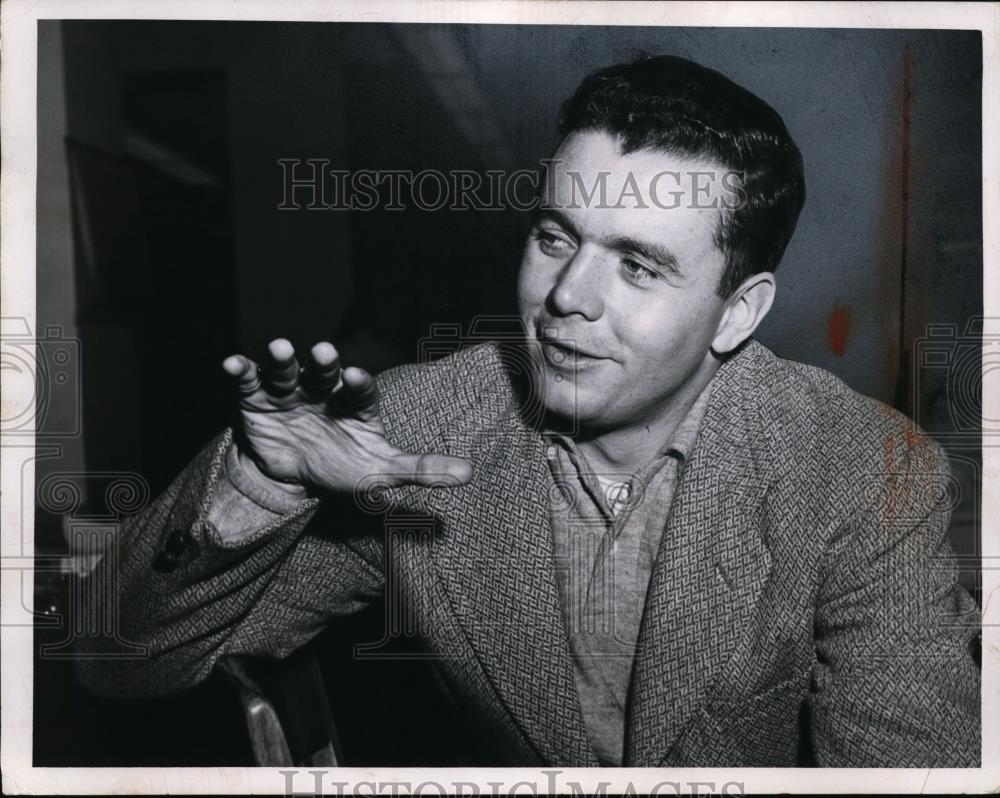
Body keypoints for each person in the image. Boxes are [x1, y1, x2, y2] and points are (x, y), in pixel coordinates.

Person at [79, 55, 980, 767]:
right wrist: (257, 484)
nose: (566, 298)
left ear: (738, 313)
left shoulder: (860, 470)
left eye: (639, 265)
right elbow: (120, 666)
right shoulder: (413, 436)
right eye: (555, 237)